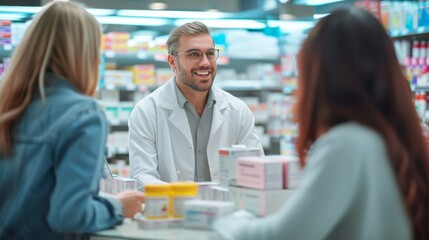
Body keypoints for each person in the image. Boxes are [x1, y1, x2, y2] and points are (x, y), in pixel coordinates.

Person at [213, 7, 429, 240]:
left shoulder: (345, 143)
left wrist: (218, 220)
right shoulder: (397, 134)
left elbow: (284, 235)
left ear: (321, 73)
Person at [0, 2, 145, 239]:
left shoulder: (8, 104)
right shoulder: (83, 113)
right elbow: (70, 216)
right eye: (95, 51)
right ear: (80, 54)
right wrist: (118, 207)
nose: (99, 62)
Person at [129, 21, 263, 190]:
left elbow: (256, 171)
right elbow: (142, 176)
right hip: (172, 212)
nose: (205, 63)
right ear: (172, 62)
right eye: (194, 54)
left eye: (210, 53)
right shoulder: (147, 112)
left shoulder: (238, 110)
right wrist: (181, 195)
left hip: (227, 212)